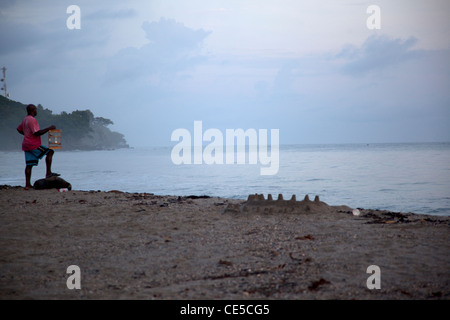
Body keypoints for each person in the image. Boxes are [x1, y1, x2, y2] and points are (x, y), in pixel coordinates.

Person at [17, 104, 60, 190]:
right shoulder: (32, 120)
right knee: (50, 152)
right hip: (33, 144)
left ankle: (27, 185)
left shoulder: (25, 119)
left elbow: (19, 129)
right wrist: (49, 128)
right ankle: (48, 173)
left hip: (26, 144)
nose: (36, 111)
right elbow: (37, 133)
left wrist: (26, 135)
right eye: (35, 110)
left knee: (29, 165)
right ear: (33, 110)